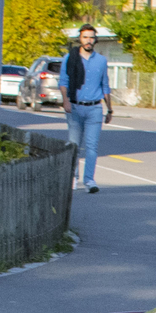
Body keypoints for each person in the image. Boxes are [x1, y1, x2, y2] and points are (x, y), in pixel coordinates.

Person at [62, 23, 111, 193]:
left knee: (92, 147)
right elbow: (63, 82)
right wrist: (66, 101)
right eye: (85, 37)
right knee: (74, 145)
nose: (88, 40)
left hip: (94, 109)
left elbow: (105, 86)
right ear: (80, 39)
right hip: (75, 107)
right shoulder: (70, 58)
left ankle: (89, 180)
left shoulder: (101, 61)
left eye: (91, 37)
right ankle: (73, 178)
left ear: (95, 40)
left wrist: (109, 109)